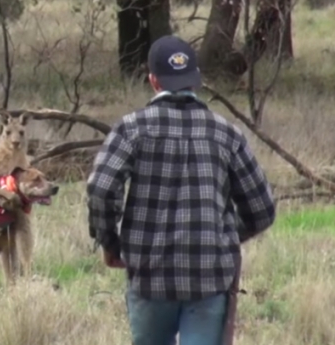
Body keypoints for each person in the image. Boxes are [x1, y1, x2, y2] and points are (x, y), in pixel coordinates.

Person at [86, 35, 276, 345]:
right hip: (209, 280)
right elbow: (262, 210)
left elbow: (101, 189)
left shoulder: (131, 129)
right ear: (196, 80)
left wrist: (111, 244)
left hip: (149, 278)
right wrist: (221, 238)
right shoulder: (226, 134)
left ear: (153, 81)